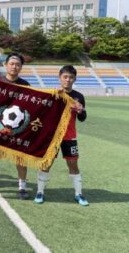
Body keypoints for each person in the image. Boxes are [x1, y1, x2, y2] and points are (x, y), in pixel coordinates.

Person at [34, 65, 89, 206]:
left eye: (71, 77)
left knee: (73, 164)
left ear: (75, 79)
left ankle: (79, 194)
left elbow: (83, 118)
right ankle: (40, 192)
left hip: (69, 137)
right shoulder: (53, 94)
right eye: (65, 77)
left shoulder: (78, 96)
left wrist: (80, 109)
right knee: (47, 163)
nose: (68, 80)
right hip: (52, 137)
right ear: (60, 78)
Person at [0, 53, 31, 199]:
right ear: (5, 65)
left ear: (21, 67)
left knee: (20, 159)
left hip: (18, 129)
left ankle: (22, 188)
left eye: (17, 64)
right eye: (12, 63)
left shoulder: (26, 85)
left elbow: (29, 107)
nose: (14, 66)